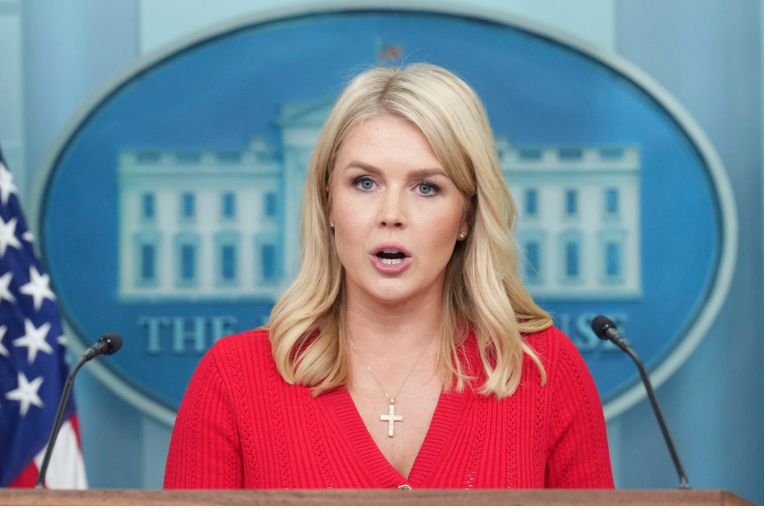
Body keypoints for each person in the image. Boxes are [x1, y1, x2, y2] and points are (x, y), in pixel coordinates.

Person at [163, 63, 614, 490]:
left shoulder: (546, 369)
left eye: (427, 187)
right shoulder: (233, 377)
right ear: (328, 203)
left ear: (467, 216)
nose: (391, 214)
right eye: (365, 183)